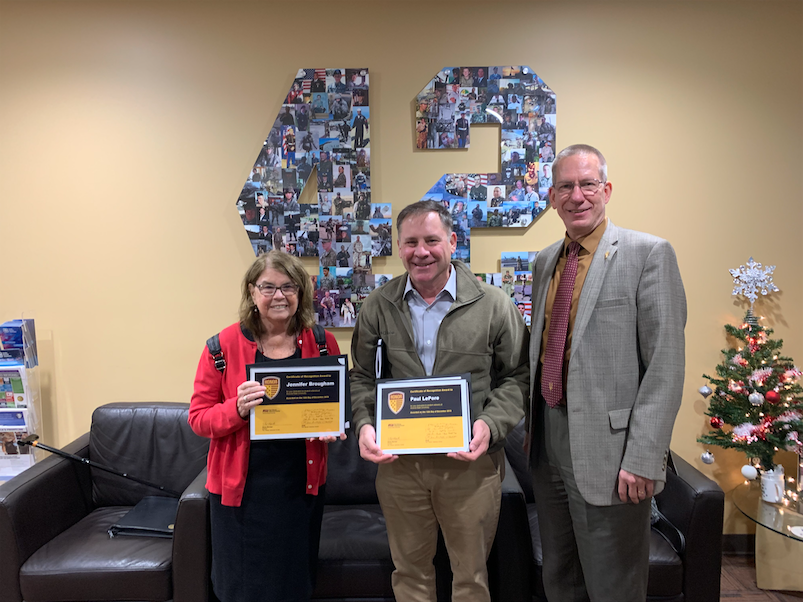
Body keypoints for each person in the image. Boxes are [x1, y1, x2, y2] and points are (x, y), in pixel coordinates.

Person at [527, 144, 686, 601]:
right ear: (552, 197)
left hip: (613, 454)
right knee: (561, 578)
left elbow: (665, 367)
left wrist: (643, 458)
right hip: (548, 443)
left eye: (587, 184)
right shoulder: (545, 262)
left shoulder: (648, 254)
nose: (577, 196)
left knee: (613, 585)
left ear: (607, 190)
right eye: (565, 187)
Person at [350, 201, 529, 602]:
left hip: (468, 466)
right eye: (410, 242)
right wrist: (364, 425)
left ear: (452, 241)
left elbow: (518, 377)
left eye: (431, 240)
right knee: (409, 575)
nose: (421, 251)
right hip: (400, 469)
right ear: (399, 247)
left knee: (470, 578)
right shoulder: (378, 305)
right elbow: (360, 376)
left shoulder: (494, 304)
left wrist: (490, 425)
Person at [188, 251, 343, 602]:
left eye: (288, 286)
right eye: (268, 287)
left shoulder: (322, 343)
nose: (279, 296)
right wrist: (237, 410)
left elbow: (334, 406)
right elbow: (198, 419)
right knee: (239, 588)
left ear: (300, 292)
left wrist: (334, 425)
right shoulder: (221, 348)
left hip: (299, 489)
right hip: (241, 493)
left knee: (295, 585)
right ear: (252, 291)